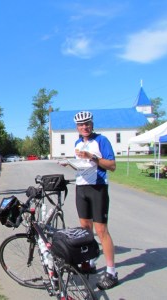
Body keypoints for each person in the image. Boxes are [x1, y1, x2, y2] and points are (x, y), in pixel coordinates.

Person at [63, 111, 118, 290]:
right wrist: (70, 163)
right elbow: (82, 165)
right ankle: (89, 261)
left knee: (101, 230)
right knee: (86, 230)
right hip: (81, 187)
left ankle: (111, 272)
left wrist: (92, 157)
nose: (84, 127)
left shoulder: (101, 141)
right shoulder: (78, 142)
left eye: (87, 124)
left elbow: (112, 166)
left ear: (91, 124)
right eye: (80, 125)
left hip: (98, 188)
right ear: (77, 127)